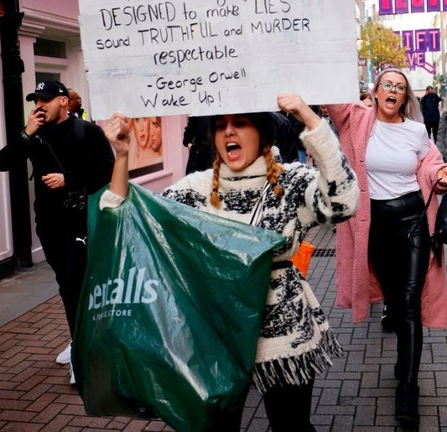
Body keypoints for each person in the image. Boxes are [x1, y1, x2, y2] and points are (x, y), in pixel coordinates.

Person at [101, 93, 359, 431]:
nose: (229, 132)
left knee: (292, 427)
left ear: (263, 134)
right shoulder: (196, 187)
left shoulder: (291, 182)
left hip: (282, 334)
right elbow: (127, 222)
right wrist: (121, 157)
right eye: (221, 125)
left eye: (240, 122)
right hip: (216, 337)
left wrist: (309, 118)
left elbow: (342, 203)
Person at [327, 69, 447, 427]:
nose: (393, 90)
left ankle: (409, 389)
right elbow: (327, 95)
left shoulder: (416, 130)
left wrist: (443, 174)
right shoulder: (356, 120)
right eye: (388, 84)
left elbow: (431, 165)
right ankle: (404, 352)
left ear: (405, 97)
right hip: (374, 226)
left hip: (413, 221)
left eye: (400, 87)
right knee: (395, 300)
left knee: (411, 299)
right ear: (376, 90)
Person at [0, 80, 115, 382]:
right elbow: (2, 162)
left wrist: (69, 180)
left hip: (79, 220)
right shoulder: (36, 134)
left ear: (63, 101)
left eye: (45, 100)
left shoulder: (87, 131)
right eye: (36, 100)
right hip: (48, 225)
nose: (39, 105)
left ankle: (82, 352)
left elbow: (107, 171)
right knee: (66, 283)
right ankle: (80, 340)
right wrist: (26, 132)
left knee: (76, 283)